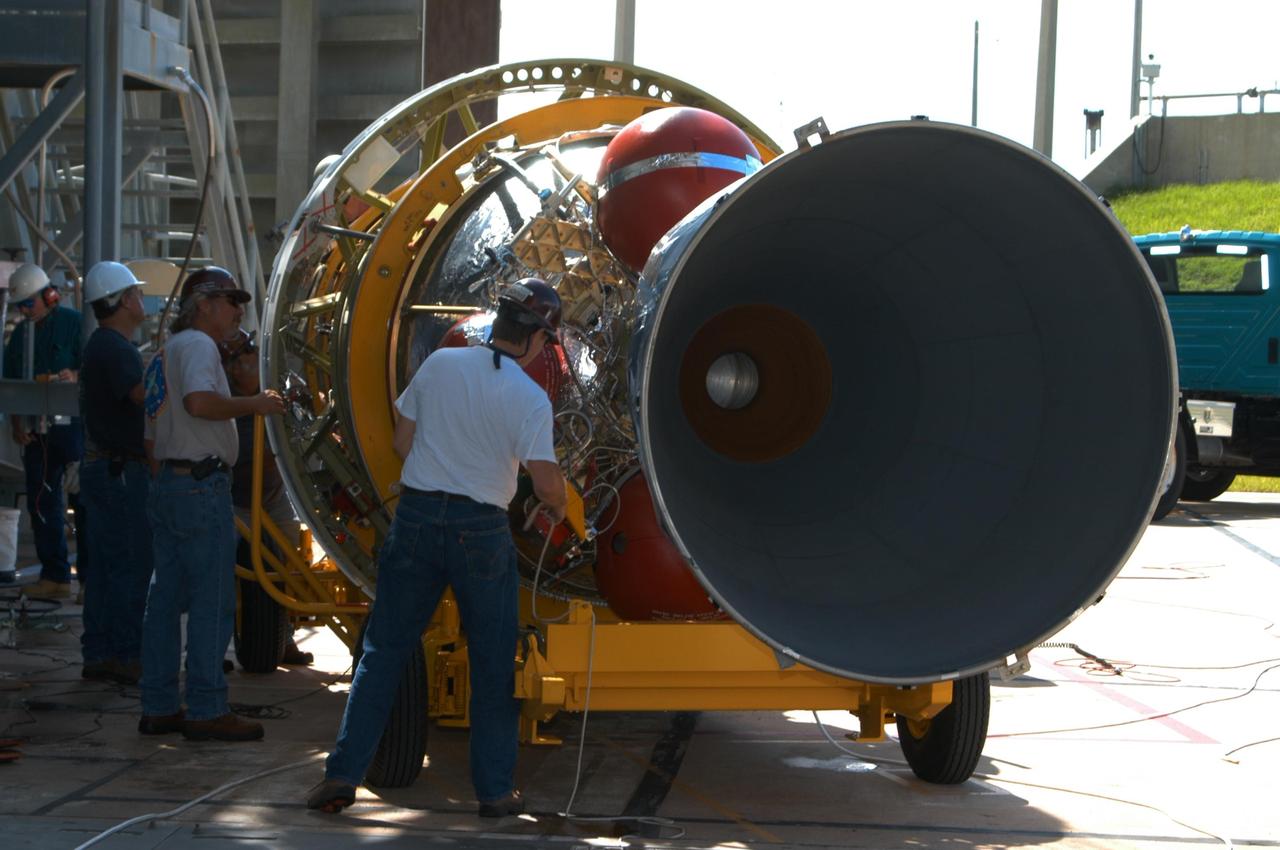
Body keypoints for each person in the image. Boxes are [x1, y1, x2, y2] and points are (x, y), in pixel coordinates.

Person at [306, 278, 568, 817]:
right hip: (481, 531)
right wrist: (558, 504)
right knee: (494, 664)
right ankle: (494, 793)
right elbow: (545, 484)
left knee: (383, 654)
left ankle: (342, 775)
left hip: (418, 518)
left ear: (495, 322)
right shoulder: (529, 399)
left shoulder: (441, 365)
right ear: (539, 339)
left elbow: (404, 443)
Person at [137, 266, 284, 742]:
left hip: (171, 485)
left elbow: (152, 431)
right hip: (200, 486)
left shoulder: (166, 352)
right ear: (203, 305)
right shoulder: (199, 347)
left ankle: (159, 705)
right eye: (230, 301)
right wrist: (256, 404)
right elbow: (200, 404)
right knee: (212, 601)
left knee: (164, 603)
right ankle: (205, 708)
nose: (238, 310)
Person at [77, 262, 153, 685]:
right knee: (128, 563)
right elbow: (141, 395)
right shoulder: (117, 348)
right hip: (121, 472)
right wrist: (168, 369)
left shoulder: (100, 345)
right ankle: (127, 653)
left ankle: (101, 651)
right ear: (125, 300)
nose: (142, 300)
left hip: (103, 468)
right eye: (137, 294)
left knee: (107, 564)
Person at [219, 328, 312, 667]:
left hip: (272, 497)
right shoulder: (225, 400)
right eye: (245, 359)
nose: (253, 364)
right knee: (224, 574)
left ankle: (284, 638)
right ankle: (213, 650)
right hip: (234, 501)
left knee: (289, 568)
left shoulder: (273, 395)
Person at [3, 263, 83, 599]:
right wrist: (17, 424)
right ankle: (55, 576)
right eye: (20, 306)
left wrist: (75, 377)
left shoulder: (75, 324)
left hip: (72, 427)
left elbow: (93, 367)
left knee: (85, 504)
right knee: (42, 502)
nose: (24, 311)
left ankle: (89, 580)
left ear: (49, 296)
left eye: (28, 304)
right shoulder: (22, 334)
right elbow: (10, 383)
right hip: (37, 433)